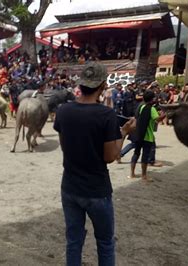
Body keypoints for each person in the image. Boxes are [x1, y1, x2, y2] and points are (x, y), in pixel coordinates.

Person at [54, 62, 136, 266]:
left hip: (70, 187)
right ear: (102, 85)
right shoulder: (106, 115)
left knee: (73, 241)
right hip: (96, 190)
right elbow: (110, 156)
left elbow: (65, 147)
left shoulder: (63, 110)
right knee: (105, 242)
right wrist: (124, 132)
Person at [129, 90, 166, 181]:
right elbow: (157, 119)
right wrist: (164, 114)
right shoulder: (152, 109)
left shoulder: (142, 107)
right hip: (147, 136)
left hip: (139, 135)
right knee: (145, 156)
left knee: (136, 153)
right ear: (152, 99)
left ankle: (132, 174)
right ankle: (144, 176)